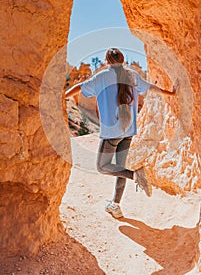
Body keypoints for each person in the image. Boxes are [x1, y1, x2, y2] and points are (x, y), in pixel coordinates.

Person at [65, 47, 178, 218]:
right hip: (129, 131)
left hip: (111, 133)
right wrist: (171, 93)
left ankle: (135, 175)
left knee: (103, 167)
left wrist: (61, 96)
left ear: (106, 61)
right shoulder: (132, 75)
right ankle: (115, 205)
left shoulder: (102, 76)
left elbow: (79, 87)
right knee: (119, 167)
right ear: (123, 60)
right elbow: (150, 87)